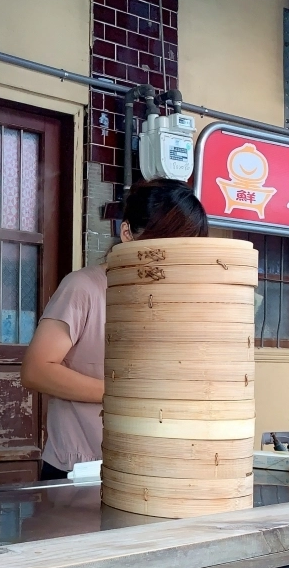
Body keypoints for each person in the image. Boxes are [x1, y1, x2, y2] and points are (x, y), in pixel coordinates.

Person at [21, 178, 209, 480]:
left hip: (151, 467)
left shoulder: (174, 300)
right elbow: (36, 370)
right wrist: (125, 393)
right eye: (163, 246)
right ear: (127, 233)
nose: (172, 259)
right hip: (81, 469)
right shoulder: (84, 288)